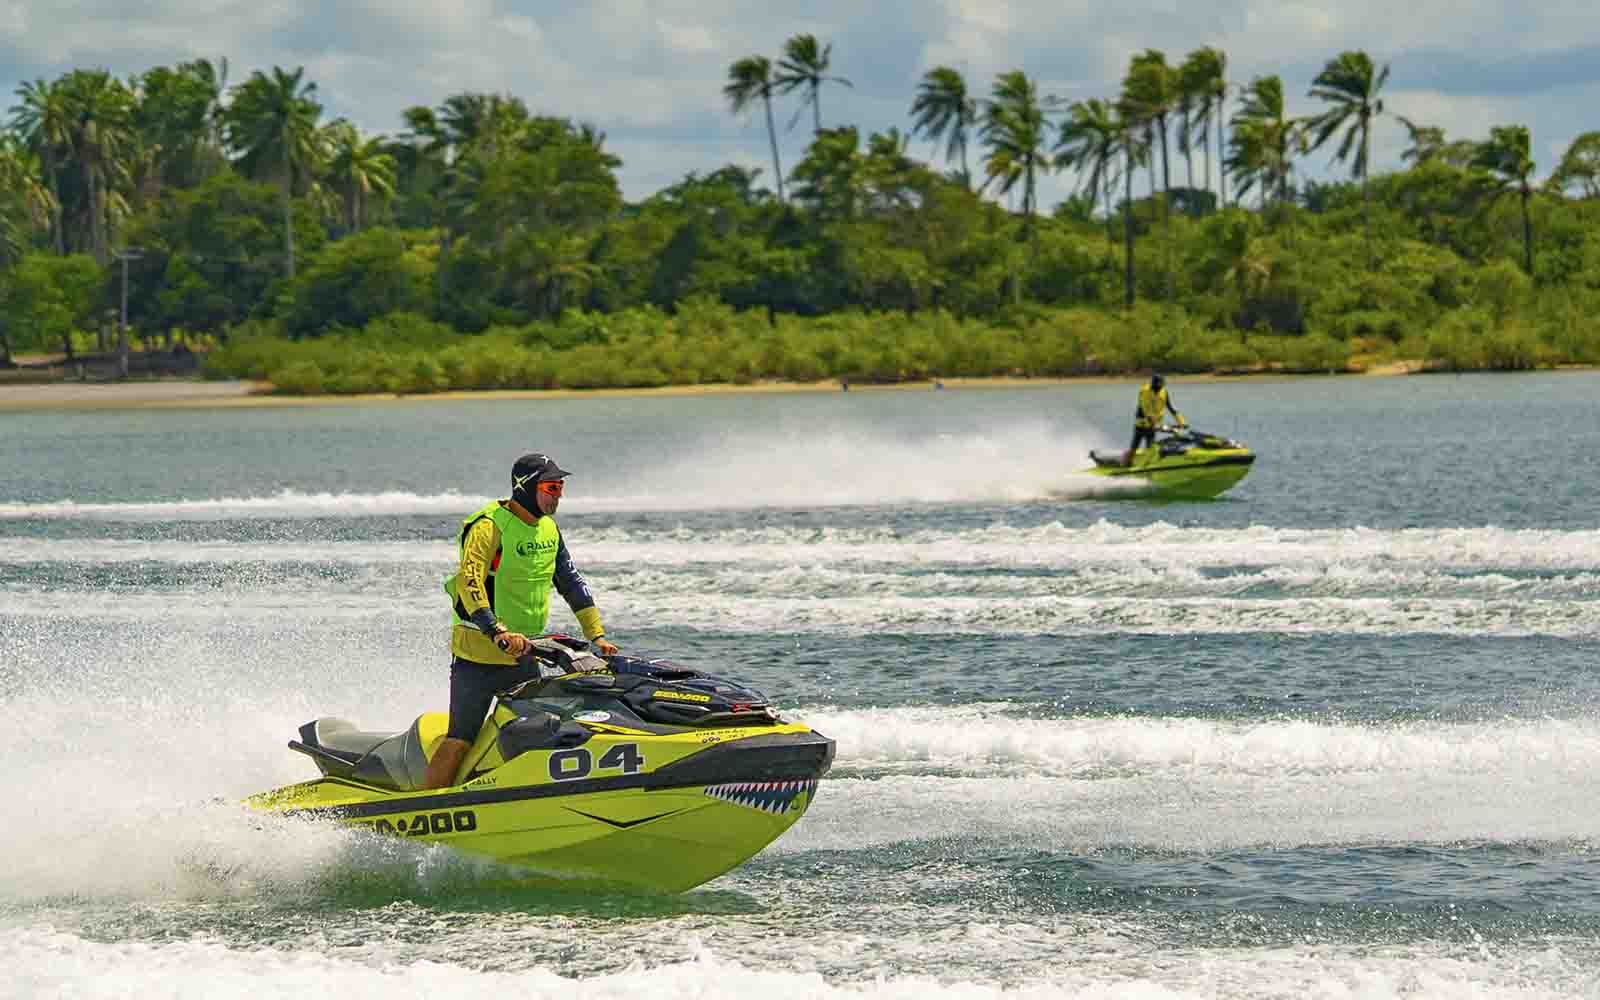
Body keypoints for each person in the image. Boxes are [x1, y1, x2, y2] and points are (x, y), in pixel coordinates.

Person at [424, 452, 620, 789]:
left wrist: (597, 635)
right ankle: (424, 806)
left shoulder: (548, 529)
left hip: (525, 653)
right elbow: (468, 584)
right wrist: (495, 630)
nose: (558, 494)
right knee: (461, 738)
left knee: (538, 732)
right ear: (526, 487)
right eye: (551, 487)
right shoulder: (489, 525)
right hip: (479, 655)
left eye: (560, 487)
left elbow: (571, 583)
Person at [1123, 373, 1185, 467]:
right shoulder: (1144, 391)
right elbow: (1145, 409)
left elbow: (1171, 409)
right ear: (1152, 384)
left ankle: (1147, 468)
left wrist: (1182, 423)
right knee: (1134, 448)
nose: (1158, 388)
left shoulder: (1164, 392)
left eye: (1160, 386)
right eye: (1156, 386)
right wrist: (1152, 422)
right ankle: (1125, 465)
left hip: (1153, 426)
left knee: (1150, 449)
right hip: (1141, 425)